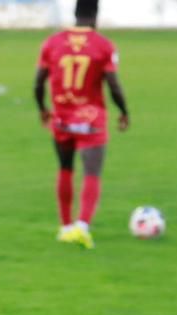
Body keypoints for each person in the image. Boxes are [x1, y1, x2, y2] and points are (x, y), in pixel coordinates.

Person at [35, 0, 129, 249]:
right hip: (91, 121)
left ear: (75, 13)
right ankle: (82, 226)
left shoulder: (53, 42)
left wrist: (43, 109)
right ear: (96, 15)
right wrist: (123, 111)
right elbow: (113, 84)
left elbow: (37, 83)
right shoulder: (103, 45)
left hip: (62, 119)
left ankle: (65, 227)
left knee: (65, 168)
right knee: (91, 173)